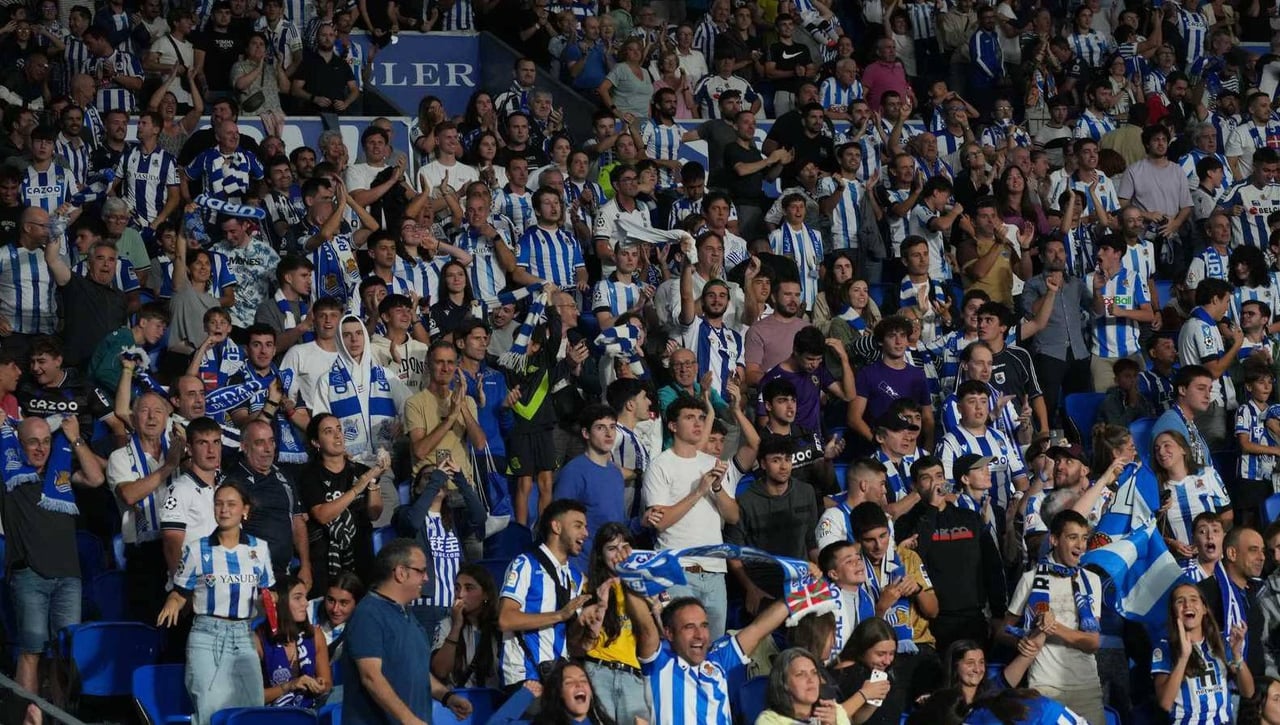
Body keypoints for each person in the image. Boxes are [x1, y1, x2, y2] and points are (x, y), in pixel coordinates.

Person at [157, 482, 276, 725]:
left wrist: (271, 601)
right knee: (209, 711)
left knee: (251, 709)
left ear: (245, 510)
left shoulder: (259, 549)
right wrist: (172, 602)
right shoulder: (196, 549)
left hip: (244, 636)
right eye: (219, 504)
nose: (224, 510)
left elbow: (267, 593)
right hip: (206, 635)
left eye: (231, 504)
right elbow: (180, 592)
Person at [4, 415, 103, 697]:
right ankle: (29, 716)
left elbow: (96, 478)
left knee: (64, 653)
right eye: (32, 442)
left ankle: (58, 718)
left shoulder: (60, 472)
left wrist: (76, 439)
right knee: (31, 651)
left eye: (46, 441)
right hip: (29, 576)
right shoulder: (9, 475)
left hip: (69, 577)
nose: (41, 448)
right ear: (18, 444)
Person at [642, 395, 743, 640]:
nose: (698, 423)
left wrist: (717, 488)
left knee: (714, 644)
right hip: (677, 569)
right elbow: (660, 521)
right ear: (673, 426)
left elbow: (733, 516)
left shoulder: (714, 463)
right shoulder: (660, 466)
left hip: (715, 570)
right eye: (689, 418)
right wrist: (699, 491)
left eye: (701, 418)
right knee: (680, 643)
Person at [340, 538, 473, 725]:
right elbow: (371, 676)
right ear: (401, 573)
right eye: (421, 571)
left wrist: (447, 697)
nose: (426, 578)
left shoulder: (408, 615)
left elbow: (418, 671)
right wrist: (409, 720)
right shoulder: (368, 614)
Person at [622, 585, 791, 724]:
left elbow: (759, 628)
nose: (699, 634)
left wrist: (796, 591)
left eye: (704, 625)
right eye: (689, 627)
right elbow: (645, 629)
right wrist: (630, 577)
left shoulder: (720, 660)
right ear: (669, 633)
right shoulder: (659, 663)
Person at [1002, 510, 1104, 723]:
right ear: (1054, 540)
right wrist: (1020, 641)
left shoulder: (1091, 581)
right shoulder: (1030, 579)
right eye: (1072, 537)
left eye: (1084, 538)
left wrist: (1052, 627)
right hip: (1043, 687)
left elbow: (1093, 642)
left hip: (1086, 688)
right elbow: (1002, 631)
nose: (1081, 546)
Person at [497, 498, 601, 685]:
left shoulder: (576, 577)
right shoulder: (526, 564)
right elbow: (505, 619)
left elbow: (572, 643)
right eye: (578, 526)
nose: (586, 533)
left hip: (558, 678)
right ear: (557, 527)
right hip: (525, 677)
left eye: (585, 527)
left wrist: (587, 627)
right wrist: (560, 615)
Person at [298, 412, 386, 597]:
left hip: (360, 556)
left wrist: (372, 482)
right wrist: (357, 488)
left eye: (339, 429)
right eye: (328, 431)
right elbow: (322, 514)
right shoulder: (309, 475)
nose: (338, 435)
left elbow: (374, 513)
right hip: (325, 561)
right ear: (316, 442)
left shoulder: (361, 471)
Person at [1153, 582, 1253, 723]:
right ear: (1173, 612)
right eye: (1180, 601)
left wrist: (1237, 656)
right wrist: (1183, 658)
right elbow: (1165, 703)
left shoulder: (1220, 642)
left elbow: (1248, 692)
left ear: (1205, 608)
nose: (1187, 605)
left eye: (1194, 599)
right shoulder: (1164, 647)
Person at [553, 404, 631, 571]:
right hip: (582, 569)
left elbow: (620, 523)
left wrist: (643, 522)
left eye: (612, 427)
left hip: (611, 568)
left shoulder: (615, 473)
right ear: (586, 433)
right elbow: (559, 524)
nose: (609, 433)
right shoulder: (574, 472)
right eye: (600, 428)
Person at [253, 575, 332, 708]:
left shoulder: (315, 635)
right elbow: (252, 697)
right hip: (272, 715)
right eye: (297, 598)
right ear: (279, 602)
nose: (306, 603)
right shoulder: (258, 640)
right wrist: (290, 685)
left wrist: (320, 685)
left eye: (305, 597)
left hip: (309, 710)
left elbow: (328, 684)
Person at [429, 563, 502, 690]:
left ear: (486, 594)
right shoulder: (446, 624)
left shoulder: (499, 627)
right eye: (457, 588)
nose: (460, 594)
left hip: (493, 700)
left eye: (469, 588)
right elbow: (440, 671)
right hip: (458, 700)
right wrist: (456, 627)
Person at [757, 647, 850, 725]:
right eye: (800, 674)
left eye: (814, 673)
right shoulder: (769, 720)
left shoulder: (834, 711)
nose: (810, 679)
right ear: (784, 683)